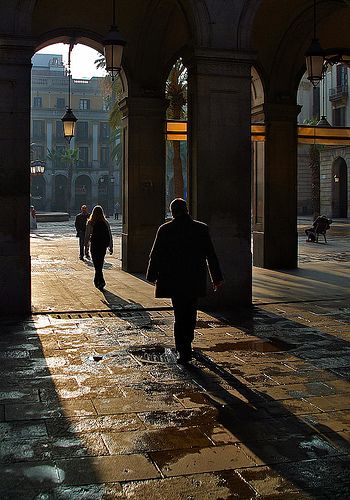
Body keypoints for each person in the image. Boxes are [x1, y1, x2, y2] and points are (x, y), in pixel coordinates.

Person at [146, 198, 223, 364]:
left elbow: (156, 254)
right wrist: (216, 278)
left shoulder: (165, 229)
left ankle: (183, 348)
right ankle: (187, 342)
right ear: (187, 209)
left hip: (174, 280)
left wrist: (151, 276)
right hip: (194, 279)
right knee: (191, 312)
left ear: (172, 212)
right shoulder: (201, 228)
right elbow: (211, 255)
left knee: (179, 314)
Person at [84, 205, 113, 290]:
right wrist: (111, 246)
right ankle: (99, 281)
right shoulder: (105, 222)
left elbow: (87, 234)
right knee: (100, 263)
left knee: (96, 264)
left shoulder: (90, 222)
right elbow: (110, 235)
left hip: (95, 245)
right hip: (102, 246)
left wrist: (86, 246)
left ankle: (99, 281)